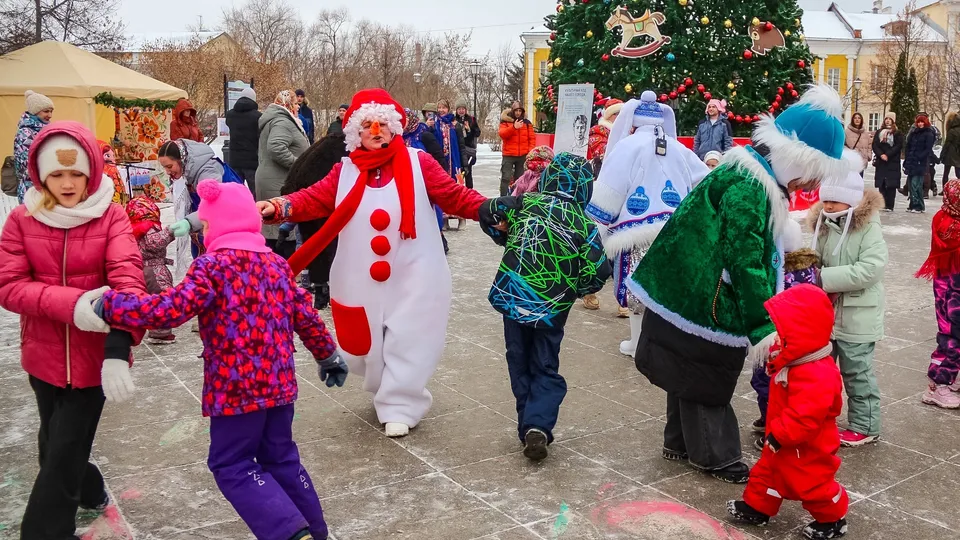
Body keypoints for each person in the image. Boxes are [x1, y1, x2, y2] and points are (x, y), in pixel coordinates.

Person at [629, 85, 859, 483]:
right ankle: (715, 456)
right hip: (704, 298)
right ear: (793, 156)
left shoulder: (750, 172)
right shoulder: (750, 187)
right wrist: (764, 324)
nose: (809, 185)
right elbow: (746, 260)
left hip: (686, 290)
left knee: (684, 369)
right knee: (706, 375)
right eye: (812, 172)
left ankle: (679, 442)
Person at [95, 179, 345, 540]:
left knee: (231, 463)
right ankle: (315, 532)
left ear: (218, 225)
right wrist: (328, 355)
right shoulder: (276, 264)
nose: (204, 232)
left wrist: (113, 304)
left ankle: (287, 532)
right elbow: (304, 315)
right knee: (281, 459)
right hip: (279, 385)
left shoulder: (211, 266)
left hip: (235, 389)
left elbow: (169, 310)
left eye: (207, 225)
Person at [257, 88, 492, 438]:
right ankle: (385, 382)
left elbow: (452, 195)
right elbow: (314, 198)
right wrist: (280, 206)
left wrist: (489, 209)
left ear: (394, 127)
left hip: (415, 269)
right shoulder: (345, 169)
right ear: (355, 131)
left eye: (383, 123)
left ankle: (401, 403)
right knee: (359, 346)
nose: (376, 130)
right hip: (358, 273)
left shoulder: (418, 162)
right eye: (368, 124)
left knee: (411, 336)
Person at [0, 121, 147, 539]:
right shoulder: (22, 220)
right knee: (55, 443)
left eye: (76, 173)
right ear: (41, 174)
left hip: (93, 362)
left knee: (63, 449)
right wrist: (75, 304)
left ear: (92, 174)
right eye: (57, 173)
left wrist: (118, 349)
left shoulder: (111, 216)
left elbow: (129, 284)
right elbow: (9, 286)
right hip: (42, 356)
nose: (67, 183)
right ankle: (90, 488)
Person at [478, 153, 610, 461]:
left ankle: (529, 423)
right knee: (545, 364)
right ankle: (537, 423)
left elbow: (489, 212)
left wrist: (504, 234)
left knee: (518, 359)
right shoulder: (584, 224)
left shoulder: (526, 203)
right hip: (552, 308)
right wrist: (574, 289)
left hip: (513, 299)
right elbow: (598, 271)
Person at [585, 91, 710, 357]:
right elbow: (705, 179)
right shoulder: (677, 147)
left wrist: (599, 221)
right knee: (668, 286)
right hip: (675, 229)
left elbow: (611, 187)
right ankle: (668, 344)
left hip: (636, 231)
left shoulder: (627, 146)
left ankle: (638, 342)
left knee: (636, 288)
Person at [727, 285, 849, 540]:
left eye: (784, 330)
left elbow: (806, 415)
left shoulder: (816, 372)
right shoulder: (798, 357)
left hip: (806, 444)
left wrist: (781, 435)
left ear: (804, 330)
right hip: (782, 436)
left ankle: (833, 518)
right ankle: (757, 507)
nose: (778, 335)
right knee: (767, 473)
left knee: (812, 483)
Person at [808, 171, 887, 447]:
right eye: (826, 200)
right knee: (822, 372)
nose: (829, 206)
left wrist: (824, 278)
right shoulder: (824, 224)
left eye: (836, 201)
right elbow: (814, 257)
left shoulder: (868, 227)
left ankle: (865, 425)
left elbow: (871, 268)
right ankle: (820, 419)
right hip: (827, 315)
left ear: (851, 200)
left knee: (857, 373)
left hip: (858, 315)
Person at [750, 218, 821, 445]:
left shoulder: (776, 274)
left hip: (777, 340)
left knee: (767, 380)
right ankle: (770, 418)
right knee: (781, 383)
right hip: (801, 341)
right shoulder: (810, 271)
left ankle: (773, 424)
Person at [282, 134, 349, 310]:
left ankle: (321, 291)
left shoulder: (328, 143)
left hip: (301, 193)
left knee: (314, 243)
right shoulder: (344, 146)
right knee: (327, 245)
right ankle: (328, 290)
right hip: (319, 199)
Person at [916, 179, 960, 409]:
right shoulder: (952, 227)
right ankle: (937, 385)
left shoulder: (946, 217)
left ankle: (949, 379)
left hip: (949, 289)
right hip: (952, 295)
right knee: (952, 339)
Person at [259, 89, 310, 255]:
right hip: (277, 182)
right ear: (287, 104)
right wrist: (299, 165)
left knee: (276, 231)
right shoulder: (282, 121)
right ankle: (279, 273)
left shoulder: (281, 119)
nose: (297, 107)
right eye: (295, 103)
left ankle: (273, 273)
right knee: (279, 233)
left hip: (275, 178)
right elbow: (276, 147)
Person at [158, 139, 223, 263]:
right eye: (164, 168)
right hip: (202, 226)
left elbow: (215, 207)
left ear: (181, 159)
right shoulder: (187, 172)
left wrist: (189, 222)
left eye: (169, 166)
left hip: (221, 230)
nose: (167, 172)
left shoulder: (207, 172)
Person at [126, 196, 177, 344]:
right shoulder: (148, 226)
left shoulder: (132, 228)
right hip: (155, 270)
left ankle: (152, 328)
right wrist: (170, 232)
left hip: (141, 269)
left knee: (149, 299)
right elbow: (154, 243)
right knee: (161, 297)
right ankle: (160, 332)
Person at [13, 90, 54, 203]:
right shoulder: (25, 133)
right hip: (31, 188)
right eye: (46, 111)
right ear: (35, 111)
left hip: (46, 185)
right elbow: (26, 165)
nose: (49, 115)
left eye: (51, 111)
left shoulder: (45, 130)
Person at [226, 86, 262, 197]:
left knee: (237, 194)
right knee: (255, 194)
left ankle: (238, 213)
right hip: (252, 162)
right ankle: (255, 213)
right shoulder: (258, 117)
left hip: (235, 160)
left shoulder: (230, 115)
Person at [499, 103, 537, 196]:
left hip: (522, 155)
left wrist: (530, 151)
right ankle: (502, 198)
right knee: (506, 178)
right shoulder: (505, 122)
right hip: (509, 155)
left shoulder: (527, 123)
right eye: (516, 110)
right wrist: (514, 127)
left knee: (520, 179)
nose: (518, 113)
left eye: (520, 111)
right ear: (512, 111)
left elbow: (532, 138)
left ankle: (516, 198)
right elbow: (502, 134)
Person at [904, 114, 936, 213]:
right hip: (911, 160)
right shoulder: (914, 133)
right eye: (919, 122)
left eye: (922, 122)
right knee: (911, 183)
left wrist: (920, 157)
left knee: (916, 184)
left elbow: (928, 149)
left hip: (920, 162)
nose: (920, 124)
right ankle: (914, 204)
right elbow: (908, 146)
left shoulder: (929, 134)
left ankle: (918, 205)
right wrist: (907, 158)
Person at [872, 113, 903, 212]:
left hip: (892, 161)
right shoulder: (879, 132)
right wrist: (881, 154)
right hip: (881, 162)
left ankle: (890, 205)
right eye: (886, 119)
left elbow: (898, 146)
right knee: (881, 183)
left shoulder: (897, 133)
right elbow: (875, 145)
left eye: (890, 119)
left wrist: (887, 154)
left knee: (891, 184)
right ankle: (882, 203)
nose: (888, 121)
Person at [433, 99, 466, 181]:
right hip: (439, 160)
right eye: (439, 107)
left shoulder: (454, 124)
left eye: (443, 107)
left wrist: (465, 163)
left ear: (448, 109)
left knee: (458, 183)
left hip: (455, 159)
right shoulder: (434, 123)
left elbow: (461, 144)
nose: (441, 110)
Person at [588, 98, 623, 169]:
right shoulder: (599, 130)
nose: (620, 116)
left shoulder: (625, 130)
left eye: (622, 113)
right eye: (616, 113)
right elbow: (601, 153)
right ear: (608, 116)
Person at [455, 102, 481, 189]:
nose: (461, 111)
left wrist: (470, 129)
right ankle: (460, 189)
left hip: (468, 149)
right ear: (456, 110)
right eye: (459, 109)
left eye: (463, 109)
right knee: (459, 172)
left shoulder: (471, 119)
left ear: (466, 110)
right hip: (458, 149)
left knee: (468, 172)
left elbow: (477, 133)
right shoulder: (454, 120)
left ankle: (470, 192)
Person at [98, 139, 128, 205]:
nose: (112, 159)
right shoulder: (100, 172)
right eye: (107, 156)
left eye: (113, 156)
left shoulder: (114, 169)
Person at [844, 112, 872, 176]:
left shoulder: (865, 133)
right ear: (852, 120)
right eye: (855, 118)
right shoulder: (847, 132)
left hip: (862, 161)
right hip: (851, 161)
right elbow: (843, 145)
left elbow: (869, 145)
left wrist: (868, 155)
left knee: (859, 182)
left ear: (861, 120)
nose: (857, 119)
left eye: (859, 118)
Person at [939, 113, 960, 194]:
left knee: (946, 173)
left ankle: (945, 190)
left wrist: (942, 155)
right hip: (958, 154)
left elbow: (947, 144)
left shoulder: (951, 131)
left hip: (950, 154)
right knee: (958, 173)